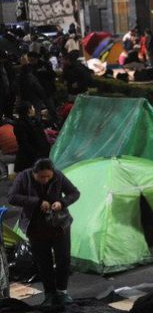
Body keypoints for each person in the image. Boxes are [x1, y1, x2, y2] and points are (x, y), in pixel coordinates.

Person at [8, 159, 79, 307]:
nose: (45, 180)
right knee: (43, 262)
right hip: (35, 227)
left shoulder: (58, 176)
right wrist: (37, 202)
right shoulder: (24, 177)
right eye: (41, 177)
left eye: (48, 176)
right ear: (34, 173)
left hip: (60, 225)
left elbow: (74, 193)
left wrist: (62, 202)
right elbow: (12, 197)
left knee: (63, 259)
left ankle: (62, 292)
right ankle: (49, 294)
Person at [13, 103, 50, 172]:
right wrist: (36, 154)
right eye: (32, 108)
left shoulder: (33, 121)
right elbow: (24, 143)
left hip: (39, 155)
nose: (34, 109)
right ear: (29, 110)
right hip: (31, 158)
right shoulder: (21, 124)